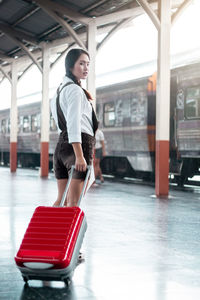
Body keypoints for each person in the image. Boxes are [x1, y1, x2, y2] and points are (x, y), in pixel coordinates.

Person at [50, 48, 98, 207]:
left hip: (61, 148)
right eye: (81, 63)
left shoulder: (58, 93)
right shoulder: (76, 91)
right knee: (73, 202)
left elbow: (62, 125)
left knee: (61, 199)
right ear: (70, 66)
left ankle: (52, 231)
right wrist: (79, 155)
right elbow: (73, 124)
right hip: (78, 146)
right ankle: (68, 233)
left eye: (88, 64)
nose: (86, 68)